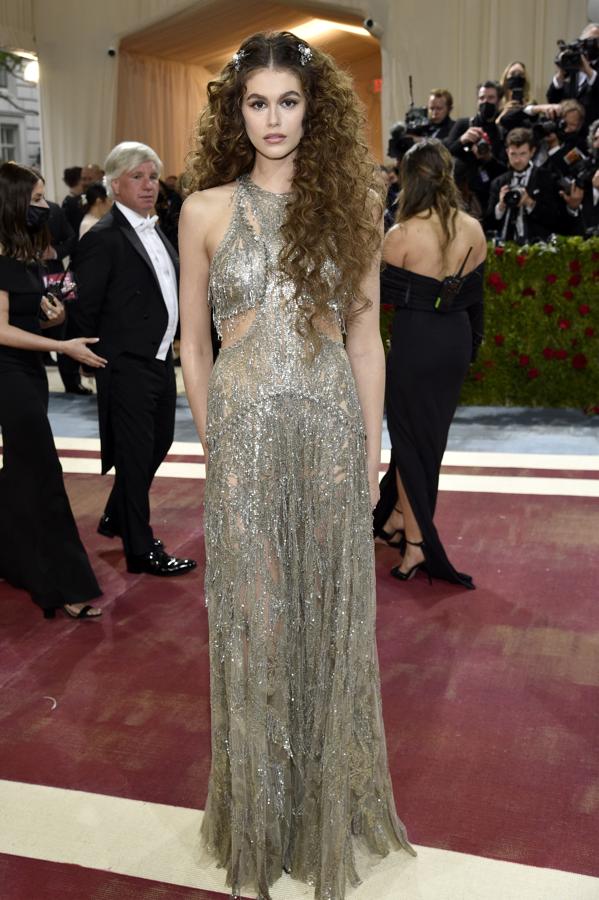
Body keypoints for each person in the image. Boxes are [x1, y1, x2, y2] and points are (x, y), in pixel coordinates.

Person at [179, 30, 415, 900]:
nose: (272, 118)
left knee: (325, 613)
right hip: (241, 434)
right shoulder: (203, 209)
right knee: (256, 619)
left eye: (287, 101)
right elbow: (193, 344)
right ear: (235, 112)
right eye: (256, 102)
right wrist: (214, 441)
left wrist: (368, 450)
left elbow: (365, 339)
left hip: (326, 429)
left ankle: (322, 812)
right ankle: (259, 817)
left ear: (313, 110)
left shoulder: (352, 206)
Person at [71, 142, 197, 577]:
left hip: (159, 359)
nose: (148, 185)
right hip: (124, 363)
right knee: (136, 452)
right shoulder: (102, 237)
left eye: (152, 177)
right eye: (137, 177)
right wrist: (93, 357)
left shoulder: (156, 230)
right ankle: (140, 550)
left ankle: (117, 513)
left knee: (159, 441)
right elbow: (84, 305)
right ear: (114, 184)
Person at [373, 140, 486, 589]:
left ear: (409, 179)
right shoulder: (473, 229)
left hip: (415, 345)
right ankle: (399, 518)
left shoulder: (400, 235)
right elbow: (476, 300)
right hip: (454, 342)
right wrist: (470, 348)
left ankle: (418, 544)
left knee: (409, 442)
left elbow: (373, 296)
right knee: (428, 442)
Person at [0, 161, 105, 620]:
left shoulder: (22, 253)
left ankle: (13, 558)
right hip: (7, 376)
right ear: (14, 202)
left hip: (27, 374)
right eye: (38, 199)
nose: (46, 207)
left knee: (21, 473)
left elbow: (24, 322)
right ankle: (64, 583)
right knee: (42, 475)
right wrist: (62, 345)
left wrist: (52, 320)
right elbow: (0, 330)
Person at [485, 127, 560, 242]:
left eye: (522, 154)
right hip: (506, 244)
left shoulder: (545, 178)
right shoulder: (499, 182)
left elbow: (554, 218)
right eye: (513, 154)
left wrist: (530, 202)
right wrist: (501, 205)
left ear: (532, 152)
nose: (517, 160)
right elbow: (489, 222)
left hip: (537, 244)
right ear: (507, 152)